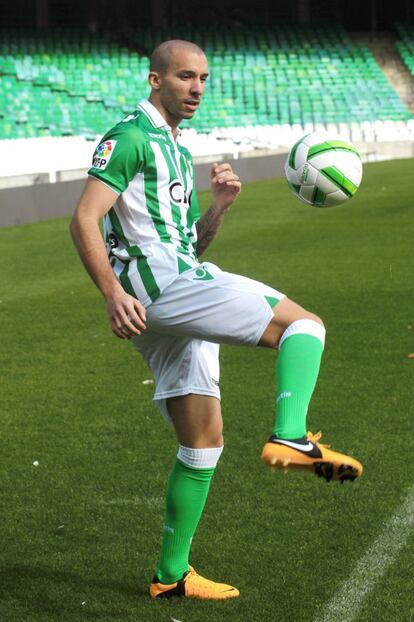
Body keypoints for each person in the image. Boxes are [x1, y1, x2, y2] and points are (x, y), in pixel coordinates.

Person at [70, 39, 363, 601]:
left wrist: (218, 208)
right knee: (304, 326)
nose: (197, 87)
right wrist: (111, 292)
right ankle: (291, 436)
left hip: (165, 292)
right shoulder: (132, 136)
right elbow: (83, 219)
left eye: (203, 78)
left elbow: (190, 244)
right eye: (184, 77)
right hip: (159, 287)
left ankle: (170, 577)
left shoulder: (176, 148)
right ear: (155, 79)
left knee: (202, 442)